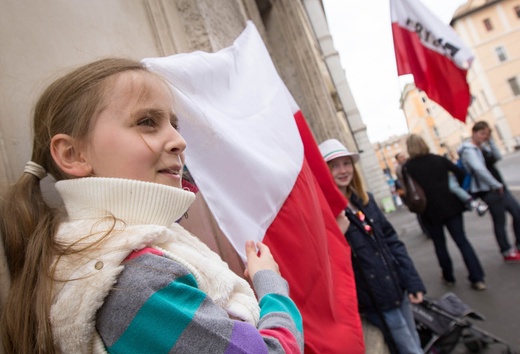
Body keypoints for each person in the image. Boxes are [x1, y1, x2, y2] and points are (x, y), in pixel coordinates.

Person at [0, 58, 304, 353]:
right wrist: (271, 285)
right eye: (147, 122)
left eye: (174, 124)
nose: (179, 141)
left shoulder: (118, 259)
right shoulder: (136, 282)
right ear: (72, 155)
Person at [319, 139, 426, 354]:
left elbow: (392, 242)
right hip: (375, 299)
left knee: (413, 341)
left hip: (397, 287)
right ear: (325, 171)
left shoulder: (365, 201)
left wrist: (412, 281)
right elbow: (324, 262)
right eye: (335, 166)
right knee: (410, 349)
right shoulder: (326, 213)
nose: (343, 171)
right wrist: (337, 232)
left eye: (346, 163)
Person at [404, 134, 486, 291]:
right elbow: (461, 173)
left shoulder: (409, 167)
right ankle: (477, 278)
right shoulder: (438, 159)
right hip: (451, 206)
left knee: (440, 245)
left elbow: (408, 189)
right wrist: (454, 187)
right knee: (462, 242)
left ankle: (449, 277)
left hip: (428, 211)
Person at [458, 121, 520, 263]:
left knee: (517, 213)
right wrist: (495, 184)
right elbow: (479, 170)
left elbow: (497, 158)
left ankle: (518, 244)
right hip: (488, 190)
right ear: (473, 133)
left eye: (486, 134)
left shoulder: (483, 148)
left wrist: (491, 142)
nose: (484, 137)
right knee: (500, 221)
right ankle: (506, 250)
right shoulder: (468, 151)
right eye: (482, 134)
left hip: (500, 187)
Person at [395, 152, 431, 238]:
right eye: (401, 157)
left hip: (415, 191)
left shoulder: (407, 165)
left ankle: (428, 229)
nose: (403, 157)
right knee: (419, 212)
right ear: (397, 160)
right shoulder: (400, 169)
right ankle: (426, 230)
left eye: (403, 155)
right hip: (410, 193)